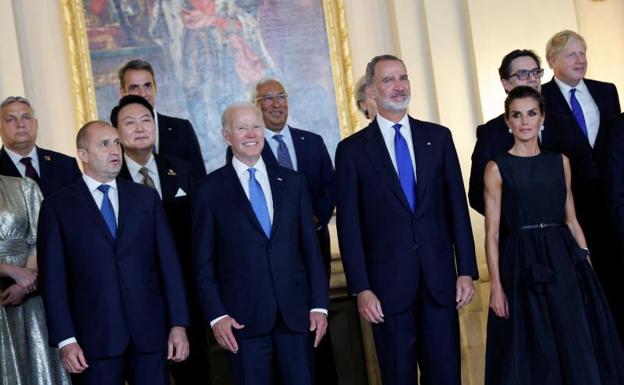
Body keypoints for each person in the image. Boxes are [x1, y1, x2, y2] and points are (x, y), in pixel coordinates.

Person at [335, 54, 478, 385]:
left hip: (440, 283)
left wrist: (467, 270)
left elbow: (456, 208)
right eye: (388, 80)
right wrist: (362, 289)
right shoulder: (353, 151)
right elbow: (350, 228)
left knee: (445, 375)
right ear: (371, 91)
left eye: (403, 77)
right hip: (387, 291)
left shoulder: (438, 138)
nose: (398, 86)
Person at [484, 85, 624, 384]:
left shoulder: (560, 162)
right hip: (521, 264)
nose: (525, 121)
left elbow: (572, 221)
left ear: (542, 118)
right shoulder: (497, 168)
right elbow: (492, 234)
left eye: (531, 113)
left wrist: (587, 268)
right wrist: (496, 286)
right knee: (535, 347)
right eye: (516, 115)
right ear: (507, 121)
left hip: (563, 260)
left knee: (573, 340)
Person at [37, 121, 190, 385]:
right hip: (93, 341)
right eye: (104, 144)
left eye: (117, 142)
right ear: (83, 155)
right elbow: (54, 281)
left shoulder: (145, 198)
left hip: (150, 335)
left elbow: (169, 266)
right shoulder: (57, 207)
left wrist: (178, 324)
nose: (114, 150)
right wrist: (66, 339)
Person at [193, 102, 329, 385]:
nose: (251, 134)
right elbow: (203, 263)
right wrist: (217, 316)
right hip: (242, 322)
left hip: (296, 316)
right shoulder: (208, 190)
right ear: (226, 135)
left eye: (256, 126)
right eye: (241, 128)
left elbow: (311, 251)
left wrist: (319, 305)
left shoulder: (293, 183)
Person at [111, 95, 209, 385]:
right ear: (116, 132)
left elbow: (200, 229)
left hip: (186, 295)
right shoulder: (112, 181)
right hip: (137, 298)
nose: (140, 128)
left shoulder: (180, 169)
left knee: (195, 374)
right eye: (129, 123)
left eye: (145, 120)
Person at [541, 30, 623, 339]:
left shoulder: (607, 91)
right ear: (552, 61)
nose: (580, 60)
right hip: (571, 211)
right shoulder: (541, 99)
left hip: (612, 207)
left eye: (582, 53)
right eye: (572, 54)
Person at [468, 49, 563, 215]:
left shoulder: (562, 122)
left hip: (561, 230)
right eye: (523, 74)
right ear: (506, 84)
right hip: (517, 232)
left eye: (536, 72)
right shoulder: (490, 133)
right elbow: (477, 194)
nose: (533, 79)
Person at [0, 175, 71, 385]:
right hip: (16, 277)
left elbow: (41, 236)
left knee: (35, 361)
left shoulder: (23, 185)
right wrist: (10, 270)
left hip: (29, 292)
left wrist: (27, 281)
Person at [118, 59, 206, 176]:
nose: (143, 93)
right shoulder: (115, 134)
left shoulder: (182, 129)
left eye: (147, 86)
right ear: (123, 92)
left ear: (155, 88)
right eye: (134, 87)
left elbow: (199, 177)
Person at [0, 96, 81, 197]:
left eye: (26, 118)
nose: (20, 124)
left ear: (36, 124)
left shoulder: (65, 165)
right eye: (11, 119)